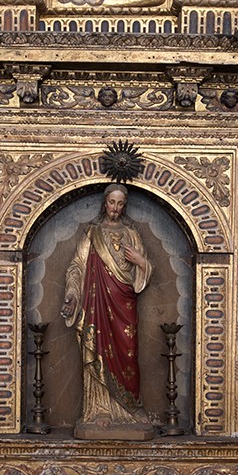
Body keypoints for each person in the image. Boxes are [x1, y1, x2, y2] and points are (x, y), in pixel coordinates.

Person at [61, 184, 154, 438]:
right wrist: (72, 295)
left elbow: (145, 268)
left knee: (128, 353)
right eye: (112, 202)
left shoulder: (131, 234)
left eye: (120, 204)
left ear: (124, 206)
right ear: (105, 203)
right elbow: (77, 267)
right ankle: (100, 409)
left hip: (124, 304)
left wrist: (141, 262)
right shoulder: (92, 234)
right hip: (97, 305)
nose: (115, 208)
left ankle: (131, 408)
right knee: (98, 349)